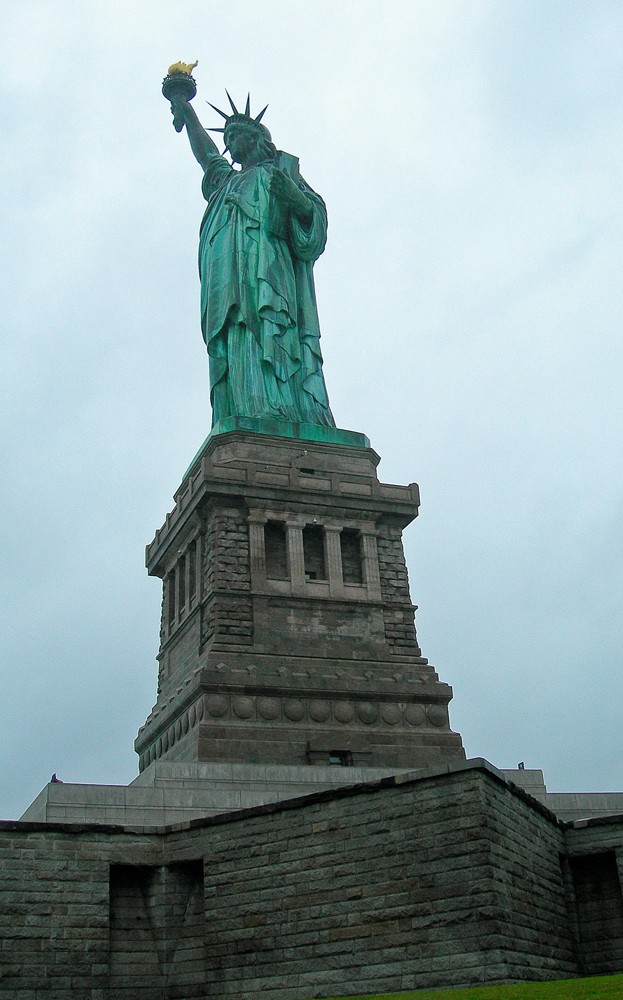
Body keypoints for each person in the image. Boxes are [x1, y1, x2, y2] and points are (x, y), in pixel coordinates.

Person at [169, 93, 335, 429]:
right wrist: (186, 111)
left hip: (270, 271)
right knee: (237, 333)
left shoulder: (279, 173)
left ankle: (282, 409)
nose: (229, 143)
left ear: (256, 138)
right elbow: (207, 156)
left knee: (270, 328)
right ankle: (246, 408)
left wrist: (294, 197)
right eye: (227, 137)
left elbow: (314, 222)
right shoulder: (226, 182)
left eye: (235, 136)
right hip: (227, 275)